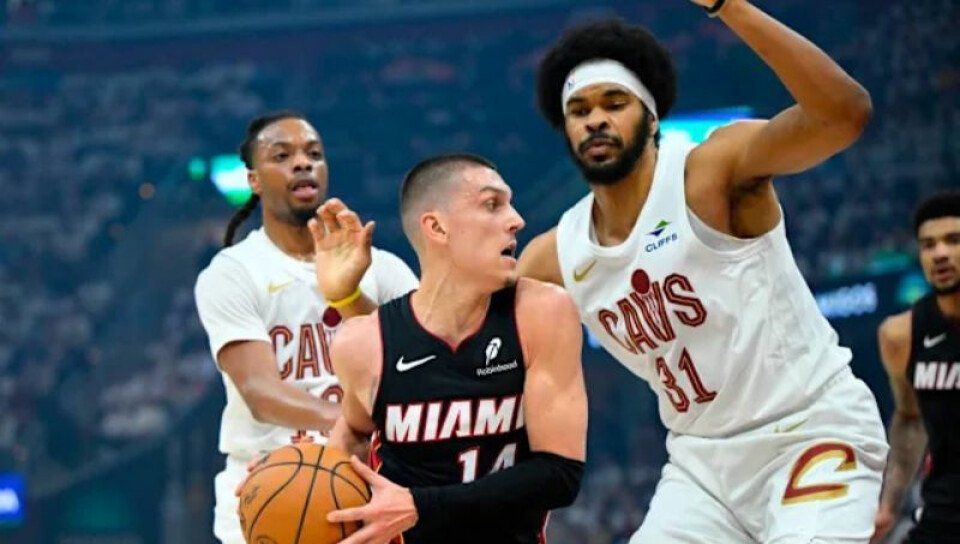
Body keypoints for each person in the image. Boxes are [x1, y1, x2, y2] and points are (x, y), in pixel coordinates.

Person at [518, 2, 888, 542]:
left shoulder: (710, 171)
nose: (595, 118)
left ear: (651, 117)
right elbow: (464, 338)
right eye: (578, 110)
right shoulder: (555, 255)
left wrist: (728, 6)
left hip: (810, 429)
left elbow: (845, 113)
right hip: (701, 466)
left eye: (614, 103)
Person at [319, 154, 587, 543]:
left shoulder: (541, 311)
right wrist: (295, 476)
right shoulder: (361, 343)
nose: (516, 220)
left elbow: (560, 475)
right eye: (492, 204)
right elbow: (353, 436)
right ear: (437, 227)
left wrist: (421, 505)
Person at [194, 111, 418, 544]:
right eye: (282, 156)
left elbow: (424, 362)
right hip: (270, 483)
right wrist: (352, 427)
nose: (303, 163)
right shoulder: (234, 271)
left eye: (314, 154)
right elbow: (261, 393)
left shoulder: (382, 267)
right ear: (254, 180)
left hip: (368, 485)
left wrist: (351, 294)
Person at [873, 191, 960, 544]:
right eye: (928, 245)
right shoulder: (900, 335)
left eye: (953, 240)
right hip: (942, 520)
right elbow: (910, 420)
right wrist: (888, 507)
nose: (940, 253)